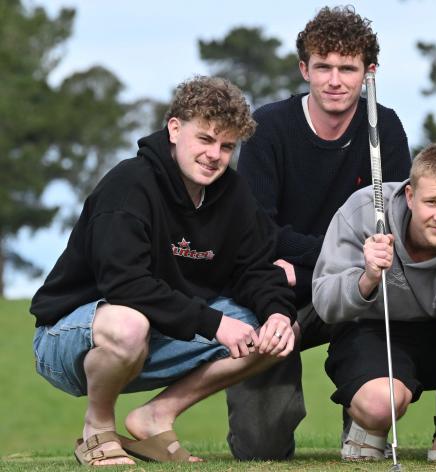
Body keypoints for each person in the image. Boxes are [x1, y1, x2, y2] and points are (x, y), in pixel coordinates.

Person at [29, 76, 296, 466]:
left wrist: (277, 313)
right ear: (174, 128)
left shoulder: (233, 195)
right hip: (70, 338)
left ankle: (156, 418)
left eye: (226, 146)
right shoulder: (129, 184)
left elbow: (254, 268)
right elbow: (124, 283)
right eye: (205, 139)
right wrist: (214, 323)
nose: (214, 155)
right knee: (128, 323)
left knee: (281, 335)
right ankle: (97, 429)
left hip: (157, 334)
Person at [226, 5, 411, 460]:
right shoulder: (268, 127)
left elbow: (398, 230)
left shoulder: (383, 127)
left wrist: (313, 266)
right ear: (303, 68)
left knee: (384, 306)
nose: (334, 80)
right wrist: (339, 257)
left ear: (369, 72)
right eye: (323, 66)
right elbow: (259, 232)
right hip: (278, 292)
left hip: (355, 288)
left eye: (347, 68)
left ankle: (364, 427)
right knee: (259, 450)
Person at [312, 143, 436, 468]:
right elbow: (325, 305)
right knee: (380, 404)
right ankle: (366, 428)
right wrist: (367, 278)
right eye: (431, 201)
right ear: (409, 195)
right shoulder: (363, 210)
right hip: (374, 329)